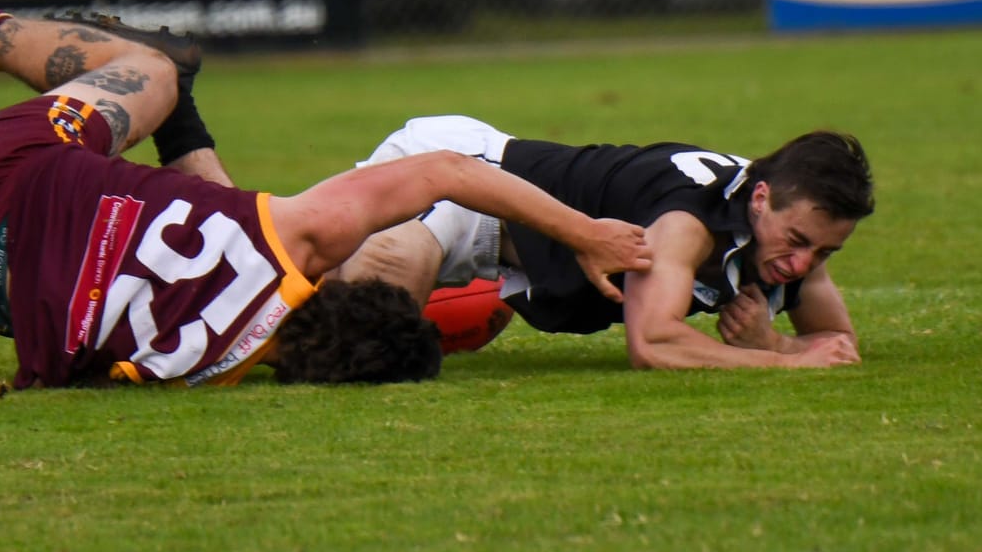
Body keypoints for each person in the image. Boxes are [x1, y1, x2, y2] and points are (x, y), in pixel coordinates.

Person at [0, 0, 651, 388]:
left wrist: (581, 233)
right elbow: (203, 196)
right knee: (46, 276)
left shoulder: (300, 235)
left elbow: (448, 167)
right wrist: (188, 118)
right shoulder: (211, 367)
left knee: (148, 67)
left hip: (5, 169)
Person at [337, 115, 870, 370]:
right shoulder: (689, 222)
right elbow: (653, 344)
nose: (804, 264)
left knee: (372, 343)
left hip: (503, 241)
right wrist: (786, 362)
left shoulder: (791, 236)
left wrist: (778, 340)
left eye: (825, 252)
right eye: (799, 241)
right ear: (759, 198)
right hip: (470, 186)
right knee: (362, 344)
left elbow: (837, 344)